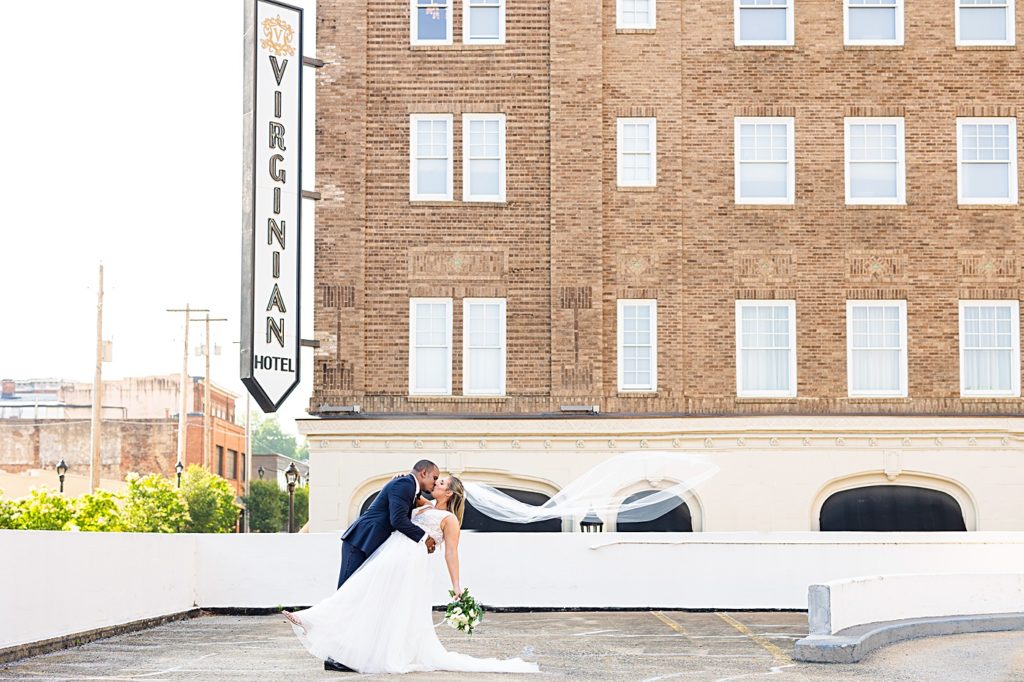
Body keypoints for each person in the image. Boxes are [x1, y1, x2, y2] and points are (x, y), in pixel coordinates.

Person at [285, 471, 537, 675]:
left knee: (374, 597)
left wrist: (457, 586)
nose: (434, 484)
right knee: (362, 591)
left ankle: (314, 620)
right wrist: (398, 479)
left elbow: (451, 553)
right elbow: (402, 494)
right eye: (435, 480)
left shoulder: (449, 520)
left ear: (448, 492)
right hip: (390, 553)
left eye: (440, 483)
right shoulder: (424, 504)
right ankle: (324, 630)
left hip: (410, 563)